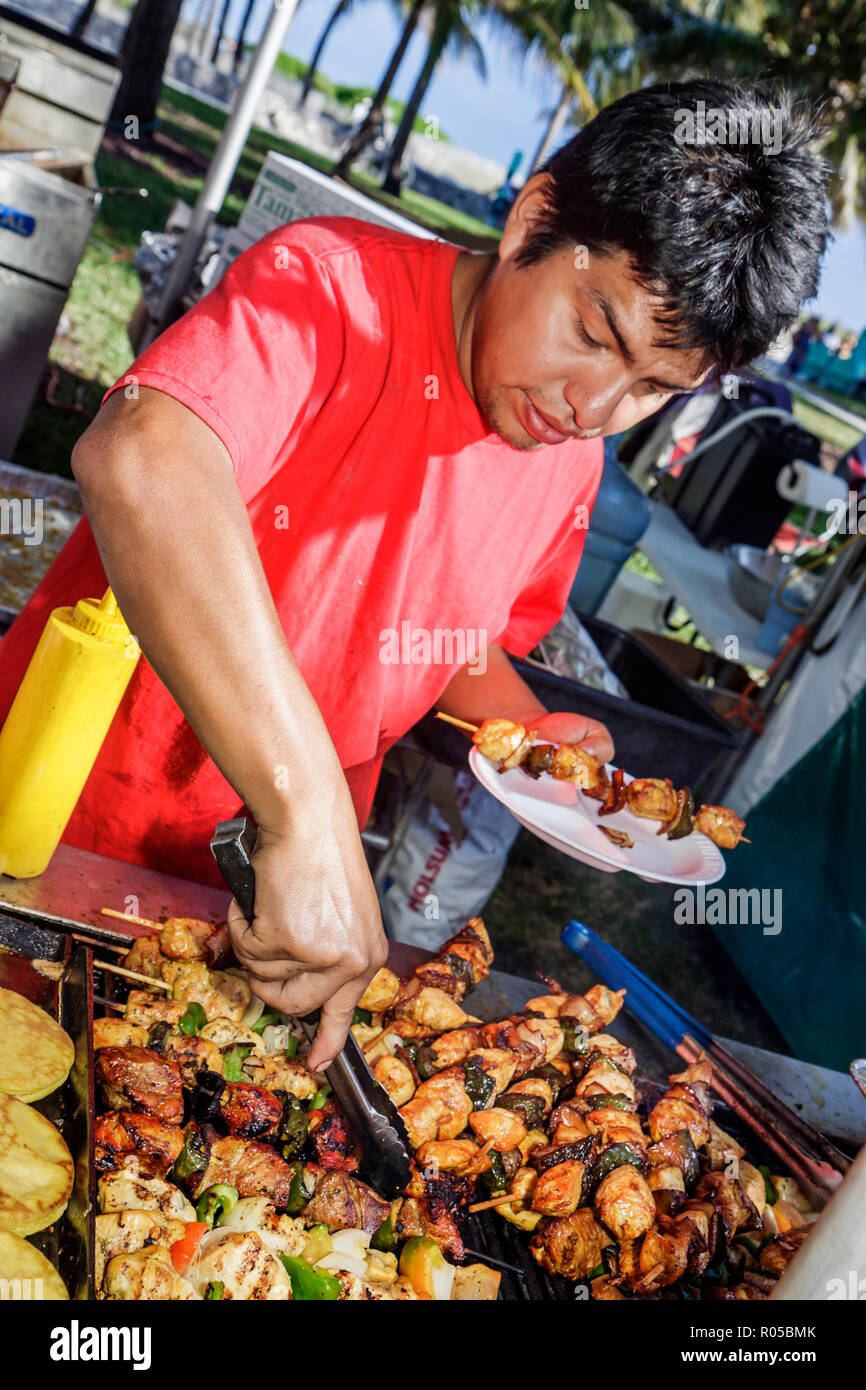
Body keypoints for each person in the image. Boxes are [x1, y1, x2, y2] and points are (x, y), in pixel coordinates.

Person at [0, 80, 829, 1068]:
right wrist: (303, 807)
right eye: (594, 333)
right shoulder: (327, 288)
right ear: (532, 219)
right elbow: (143, 459)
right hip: (62, 841)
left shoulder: (566, 465)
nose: (593, 405)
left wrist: (532, 734)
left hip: (274, 927)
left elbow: (439, 633)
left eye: (652, 387)